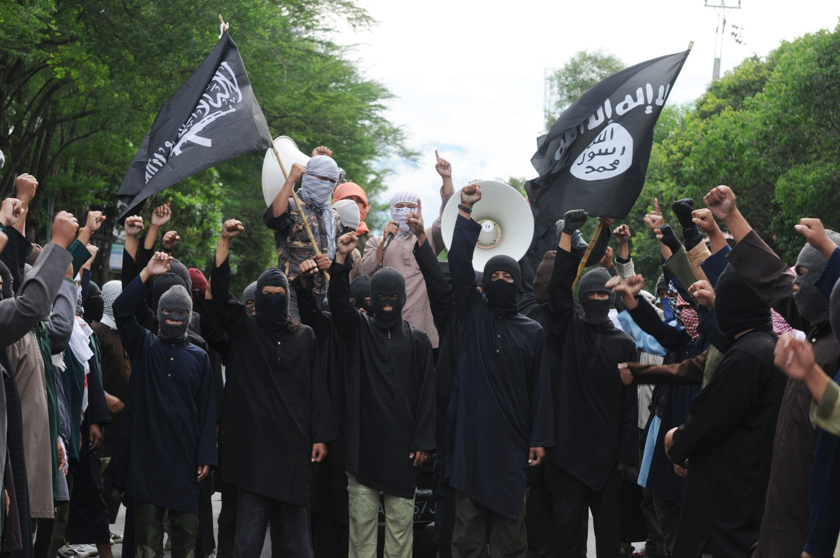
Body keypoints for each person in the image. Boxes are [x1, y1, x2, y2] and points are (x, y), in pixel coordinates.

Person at [704, 183, 840, 558]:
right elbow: (769, 275)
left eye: (806, 276)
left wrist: (818, 541)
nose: (794, 286)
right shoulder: (815, 329)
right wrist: (730, 217)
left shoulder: (833, 349)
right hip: (781, 523)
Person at [212, 219, 334, 558]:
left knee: (297, 538)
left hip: (294, 450)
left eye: (280, 294)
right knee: (248, 536)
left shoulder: (305, 336)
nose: (273, 299)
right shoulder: (246, 333)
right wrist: (225, 241)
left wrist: (320, 435)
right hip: (254, 451)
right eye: (267, 295)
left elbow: (317, 387)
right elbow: (220, 296)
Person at [445, 183, 554, 558]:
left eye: (509, 278)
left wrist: (539, 438)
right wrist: (465, 211)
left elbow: (541, 390)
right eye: (495, 278)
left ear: (518, 282)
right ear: (484, 284)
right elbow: (459, 266)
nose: (502, 282)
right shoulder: (473, 315)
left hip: (512, 448)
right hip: (470, 444)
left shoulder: (533, 331)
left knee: (510, 538)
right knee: (467, 539)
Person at [662, 258, 786, 558]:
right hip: (750, 500)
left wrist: (677, 441)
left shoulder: (746, 357)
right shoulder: (768, 346)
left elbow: (709, 418)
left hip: (722, 516)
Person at [533, 209, 637, 558]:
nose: (596, 300)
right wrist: (567, 239)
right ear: (583, 297)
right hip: (567, 455)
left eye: (601, 296)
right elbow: (560, 288)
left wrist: (625, 454)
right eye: (590, 295)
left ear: (609, 298)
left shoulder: (624, 343)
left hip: (606, 458)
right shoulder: (568, 330)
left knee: (609, 539)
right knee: (566, 540)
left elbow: (629, 403)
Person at [329, 231, 436, 558]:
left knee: (400, 536)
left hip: (404, 456)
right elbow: (337, 304)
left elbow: (426, 395)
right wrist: (339, 262)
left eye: (394, 296)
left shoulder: (418, 340)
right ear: (372, 299)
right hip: (362, 453)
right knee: (360, 537)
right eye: (381, 297)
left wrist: (423, 441)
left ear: (403, 298)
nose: (387, 303)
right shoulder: (358, 332)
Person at [112, 251, 217, 558]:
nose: (174, 316)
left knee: (185, 546)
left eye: (181, 311)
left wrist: (206, 456)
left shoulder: (199, 357)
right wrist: (146, 272)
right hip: (146, 467)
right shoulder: (144, 345)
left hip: (185, 468)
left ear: (190, 314)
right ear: (158, 312)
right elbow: (121, 309)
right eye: (168, 310)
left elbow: (207, 411)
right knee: (147, 549)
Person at [359, 150, 454, 350]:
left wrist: (446, 179)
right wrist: (385, 242)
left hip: (427, 331)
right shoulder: (376, 242)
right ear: (392, 210)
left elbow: (448, 218)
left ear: (418, 210)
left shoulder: (427, 236)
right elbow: (364, 272)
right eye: (399, 206)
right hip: (389, 330)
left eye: (410, 206)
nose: (404, 210)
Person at [263, 150, 340, 316]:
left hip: (324, 294)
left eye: (331, 180)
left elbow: (341, 257)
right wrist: (291, 179)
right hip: (292, 292)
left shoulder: (333, 217)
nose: (325, 184)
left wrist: (331, 265)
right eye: (321, 178)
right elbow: (273, 218)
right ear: (309, 176)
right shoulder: (291, 205)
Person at [333, 182, 372, 254]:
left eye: (359, 201)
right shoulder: (323, 231)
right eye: (349, 199)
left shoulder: (370, 241)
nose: (354, 204)